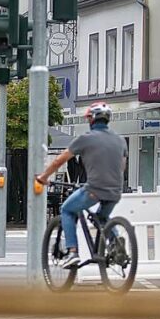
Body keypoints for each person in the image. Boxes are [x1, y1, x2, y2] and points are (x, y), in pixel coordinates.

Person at [36, 102, 127, 268]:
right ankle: (116, 245)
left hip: (94, 189)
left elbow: (59, 160)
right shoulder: (120, 141)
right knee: (102, 218)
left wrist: (44, 176)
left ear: (91, 119)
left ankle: (72, 252)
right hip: (115, 191)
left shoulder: (85, 139)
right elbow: (122, 166)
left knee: (67, 209)